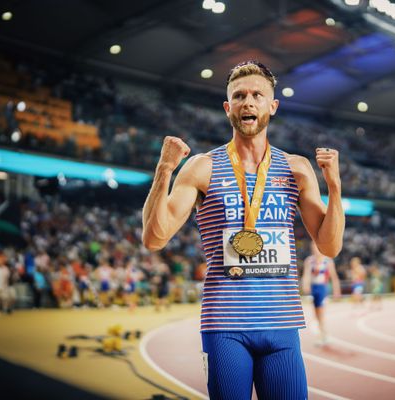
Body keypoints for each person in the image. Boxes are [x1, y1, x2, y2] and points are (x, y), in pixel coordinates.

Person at [142, 60, 345, 400]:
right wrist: (164, 169)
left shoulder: (296, 168)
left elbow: (330, 246)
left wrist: (335, 187)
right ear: (228, 108)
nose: (248, 102)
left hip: (282, 326)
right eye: (239, 96)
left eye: (257, 95)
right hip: (225, 327)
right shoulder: (202, 167)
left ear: (272, 106)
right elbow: (154, 237)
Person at [301, 241, 341, 346]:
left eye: (316, 247)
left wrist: (337, 290)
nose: (315, 249)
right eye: (313, 247)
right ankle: (323, 335)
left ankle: (323, 335)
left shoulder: (327, 261)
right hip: (314, 289)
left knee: (321, 312)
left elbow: (334, 277)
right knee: (316, 313)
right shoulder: (309, 261)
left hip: (323, 288)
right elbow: (306, 275)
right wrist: (305, 285)